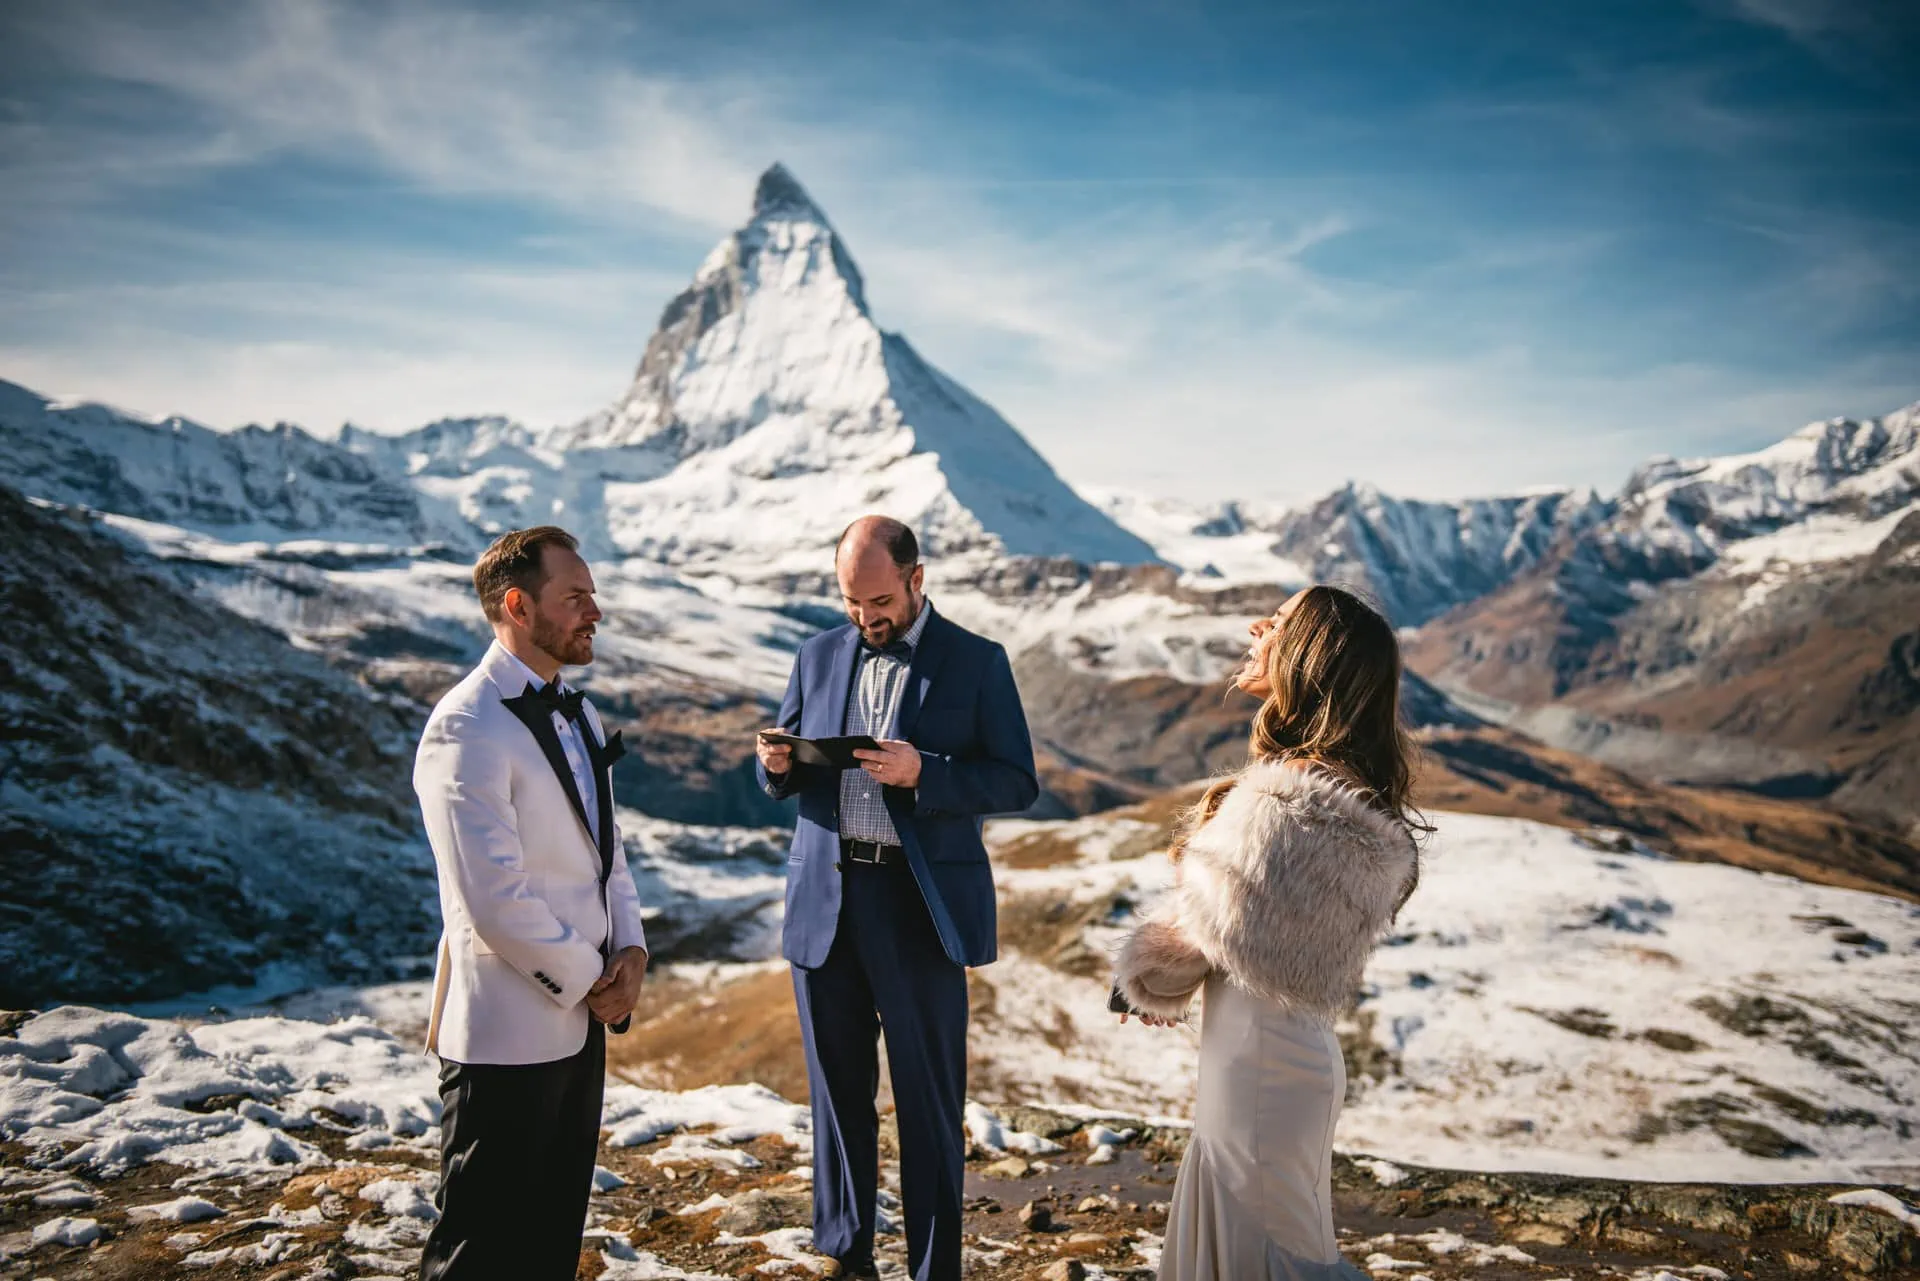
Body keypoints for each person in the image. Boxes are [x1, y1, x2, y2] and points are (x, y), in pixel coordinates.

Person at [755, 515, 1039, 1281]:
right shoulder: (816, 654)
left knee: (928, 1104)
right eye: (852, 602)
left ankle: (933, 1269)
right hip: (827, 900)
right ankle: (848, 1258)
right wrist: (777, 763)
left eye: (878, 600)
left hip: (919, 906)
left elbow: (1017, 779)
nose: (865, 617)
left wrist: (929, 773)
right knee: (838, 1100)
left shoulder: (977, 662)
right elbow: (779, 770)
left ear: (918, 578)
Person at [1113, 585, 1424, 1281]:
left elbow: (1184, 955)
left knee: (1263, 1255)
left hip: (1256, 1072)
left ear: (1309, 658)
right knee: (1280, 1246)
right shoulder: (1340, 796)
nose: (1259, 627)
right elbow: (1249, 936)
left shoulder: (1282, 801)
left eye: (1279, 622)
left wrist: (1144, 970)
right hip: (1281, 1062)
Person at [413, 526, 650, 1281]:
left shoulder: (576, 712)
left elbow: (606, 855)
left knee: (549, 1244)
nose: (595, 612)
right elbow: (493, 898)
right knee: (476, 1254)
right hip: (503, 1041)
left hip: (581, 1027)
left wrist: (634, 951)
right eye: (575, 597)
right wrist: (594, 979)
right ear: (517, 605)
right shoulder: (464, 724)